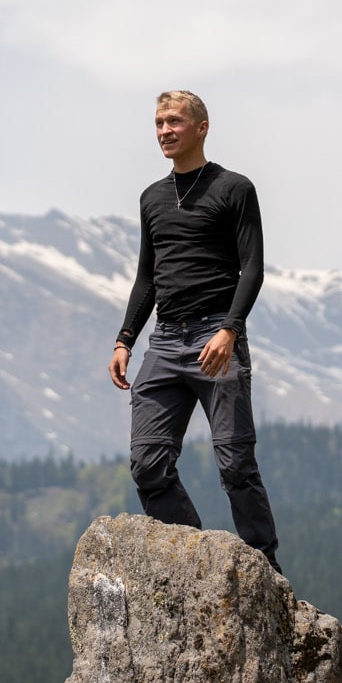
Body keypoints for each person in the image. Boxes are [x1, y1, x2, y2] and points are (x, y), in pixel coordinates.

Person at [108, 90, 282, 573]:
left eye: (175, 121)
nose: (164, 130)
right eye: (159, 122)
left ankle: (266, 574)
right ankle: (194, 564)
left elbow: (252, 269)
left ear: (201, 127)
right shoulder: (152, 198)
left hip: (216, 339)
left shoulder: (234, 188)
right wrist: (125, 339)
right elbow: (148, 277)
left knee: (236, 466)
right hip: (164, 342)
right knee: (148, 465)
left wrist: (230, 329)